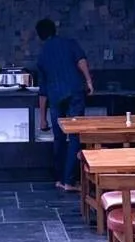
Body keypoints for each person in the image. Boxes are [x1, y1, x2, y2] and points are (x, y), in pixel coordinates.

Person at [35, 18, 94, 191]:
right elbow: (81, 61)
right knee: (74, 135)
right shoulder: (69, 43)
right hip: (75, 93)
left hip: (55, 97)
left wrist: (42, 119)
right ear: (54, 30)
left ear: (40, 36)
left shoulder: (42, 55)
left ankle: (60, 179)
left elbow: (43, 91)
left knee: (59, 137)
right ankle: (69, 181)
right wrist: (89, 81)